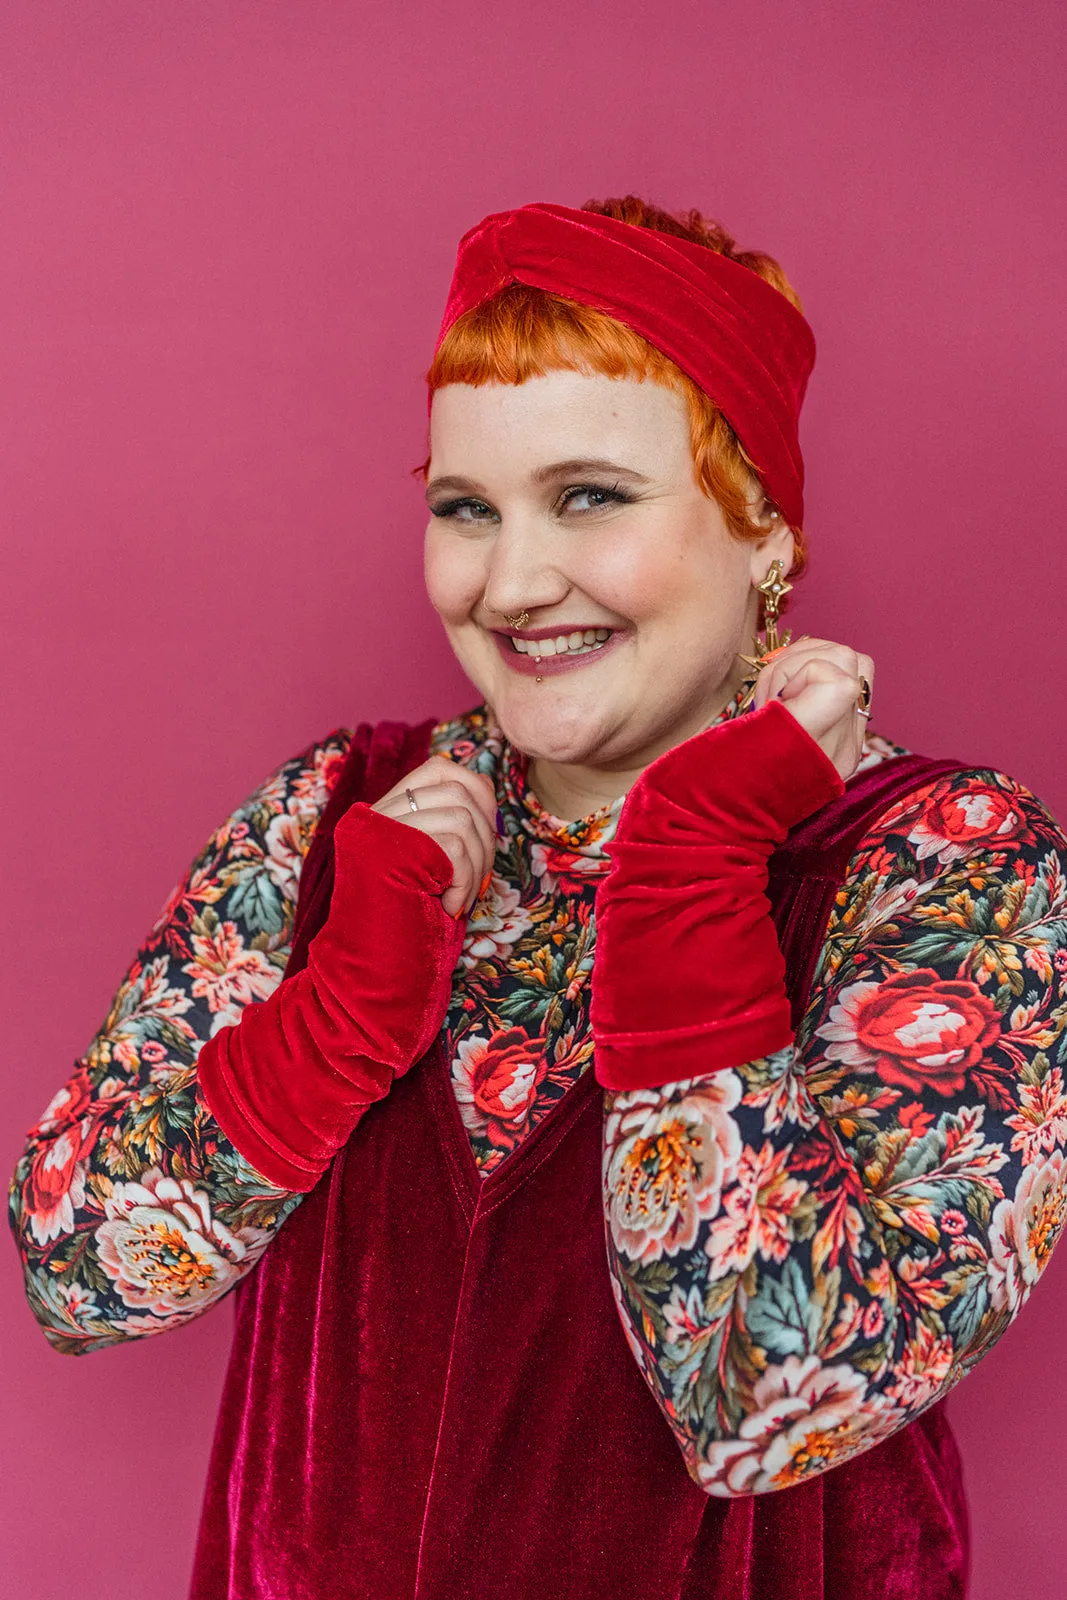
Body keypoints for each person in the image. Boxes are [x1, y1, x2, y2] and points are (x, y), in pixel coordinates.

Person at [9, 196, 1067, 1600]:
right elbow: (75, 1279)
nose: (510, 582)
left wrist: (692, 857)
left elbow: (774, 1401)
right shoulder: (343, 818)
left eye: (589, 496)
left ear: (763, 532)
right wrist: (337, 1016)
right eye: (465, 508)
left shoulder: (947, 855)